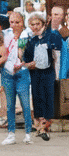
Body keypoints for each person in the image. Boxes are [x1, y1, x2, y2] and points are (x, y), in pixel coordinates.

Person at [21, 11, 59, 141]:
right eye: (32, 24)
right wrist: (28, 64)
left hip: (48, 72)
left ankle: (45, 125)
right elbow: (24, 59)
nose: (35, 26)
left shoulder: (50, 37)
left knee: (48, 96)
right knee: (37, 97)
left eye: (37, 24)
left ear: (43, 24)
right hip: (35, 72)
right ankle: (40, 125)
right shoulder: (29, 41)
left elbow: (56, 54)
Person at [0, 11, 35, 144]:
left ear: (22, 22)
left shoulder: (27, 34)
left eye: (17, 22)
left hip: (22, 71)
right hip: (8, 72)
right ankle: (11, 134)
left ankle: (28, 133)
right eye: (12, 22)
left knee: (25, 103)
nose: (14, 25)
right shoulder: (5, 34)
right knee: (10, 105)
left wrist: (22, 63)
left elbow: (26, 53)